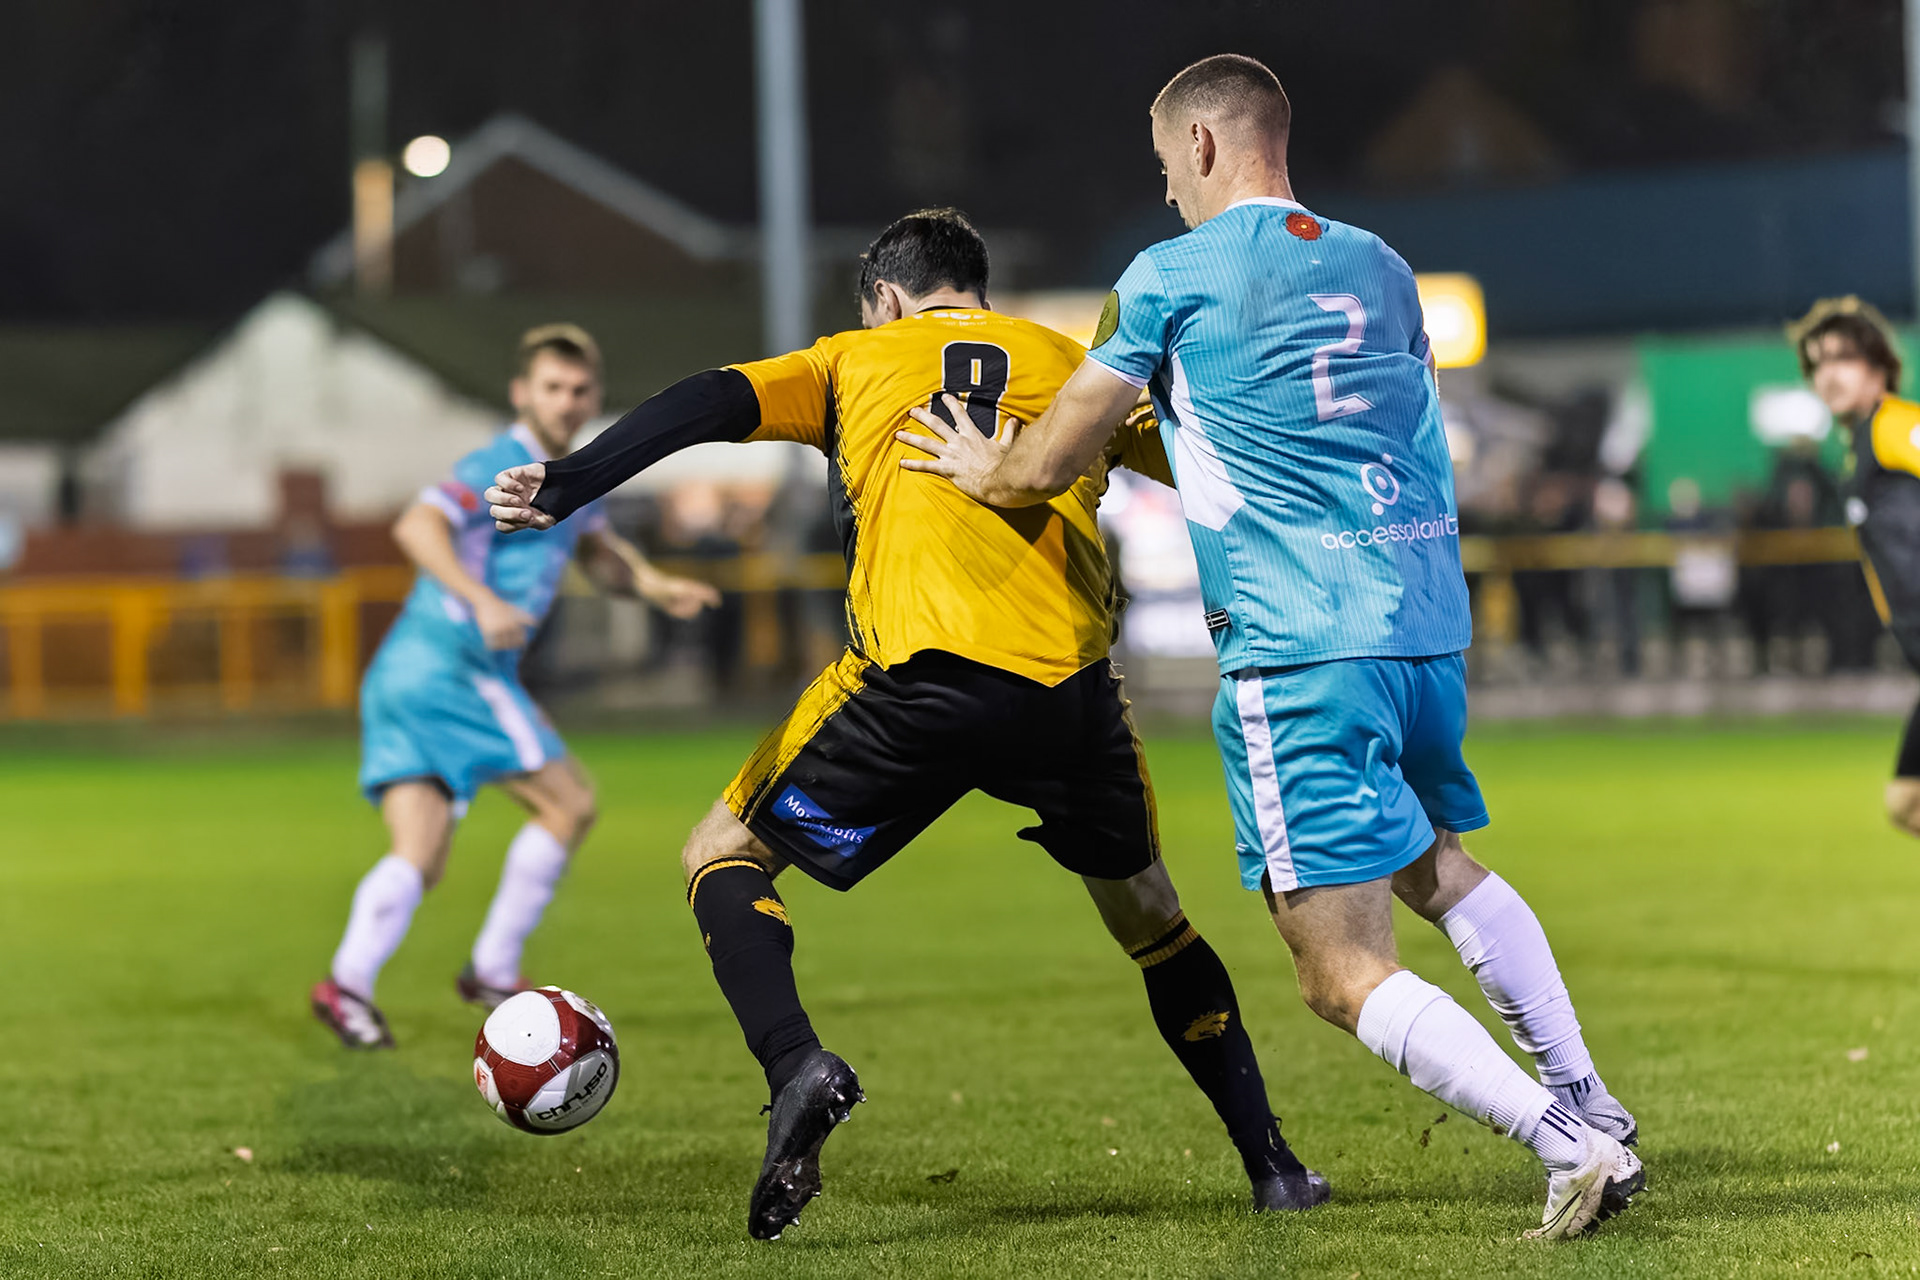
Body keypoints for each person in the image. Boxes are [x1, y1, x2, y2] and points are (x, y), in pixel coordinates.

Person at [896, 55, 1642, 1240]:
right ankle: (1594, 1096)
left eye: (1163, 169)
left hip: (1302, 641)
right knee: (1434, 862)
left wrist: (986, 465)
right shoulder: (1382, 265)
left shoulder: (1171, 276)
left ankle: (1570, 1142)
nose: (1164, 195)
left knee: (1334, 968)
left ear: (1200, 148)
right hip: (1422, 624)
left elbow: (1048, 461)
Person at [486, 210, 1329, 1240]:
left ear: (886, 296)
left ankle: (797, 1062)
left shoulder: (857, 358)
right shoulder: (1074, 362)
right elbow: (1214, 456)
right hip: (1072, 697)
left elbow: (710, 398)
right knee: (1151, 914)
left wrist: (571, 481)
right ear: (974, 287)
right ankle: (1274, 1165)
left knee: (721, 848)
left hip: (921, 682)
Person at [311, 325, 719, 1049]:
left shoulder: (570, 474)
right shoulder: (499, 463)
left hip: (402, 675)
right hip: (455, 669)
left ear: (596, 394)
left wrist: (657, 587)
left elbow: (599, 551)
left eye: (579, 390)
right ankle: (494, 969)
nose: (567, 402)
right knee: (570, 803)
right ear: (521, 393)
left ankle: (347, 987)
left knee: (421, 852)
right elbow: (416, 526)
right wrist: (481, 598)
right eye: (552, 388)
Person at [1791, 296, 1920, 830]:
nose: (1829, 374)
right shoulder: (1857, 447)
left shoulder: (1897, 427)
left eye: (1843, 358)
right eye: (1818, 363)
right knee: (1907, 804)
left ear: (1878, 366)